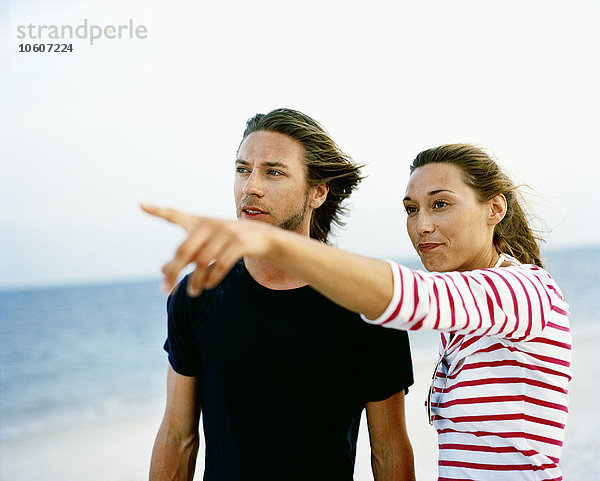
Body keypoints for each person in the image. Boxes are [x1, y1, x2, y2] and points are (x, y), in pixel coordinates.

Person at [144, 143, 572, 481]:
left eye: (440, 204)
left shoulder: (526, 290)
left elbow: (413, 299)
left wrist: (272, 243)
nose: (421, 224)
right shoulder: (467, 320)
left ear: (494, 209)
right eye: (411, 209)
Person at [147, 108, 416, 481]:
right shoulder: (198, 294)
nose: (250, 187)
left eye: (273, 172)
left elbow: (388, 452)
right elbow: (177, 438)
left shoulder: (366, 302)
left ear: (317, 193)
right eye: (243, 169)